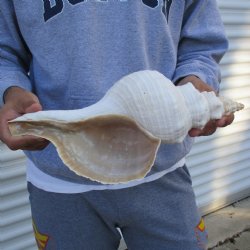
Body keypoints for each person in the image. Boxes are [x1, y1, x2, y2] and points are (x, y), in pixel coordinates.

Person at [0, 1, 234, 249]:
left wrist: (195, 79)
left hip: (163, 172)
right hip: (59, 182)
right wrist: (10, 90)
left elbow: (200, 44)